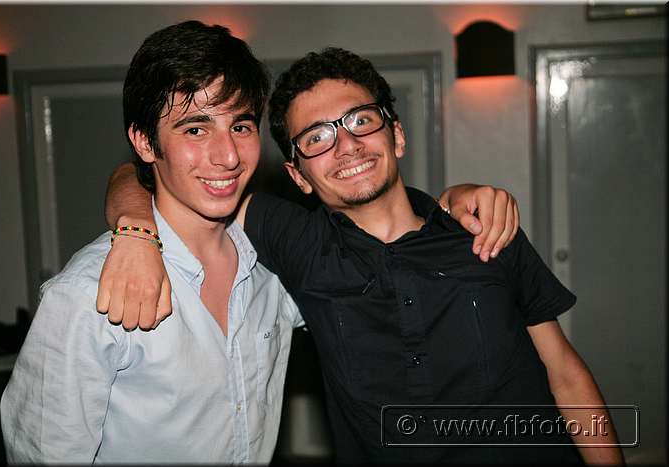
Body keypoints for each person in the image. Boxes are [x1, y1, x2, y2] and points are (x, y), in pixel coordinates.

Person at [100, 47, 625, 465]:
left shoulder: (484, 230)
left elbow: (565, 373)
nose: (346, 146)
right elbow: (145, 173)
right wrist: (136, 232)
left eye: (360, 121)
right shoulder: (300, 244)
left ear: (396, 134)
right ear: (298, 176)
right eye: (317, 137)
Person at [1, 21, 305, 463]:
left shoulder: (274, 265)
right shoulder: (85, 295)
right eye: (196, 129)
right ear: (144, 142)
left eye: (240, 126)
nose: (228, 156)